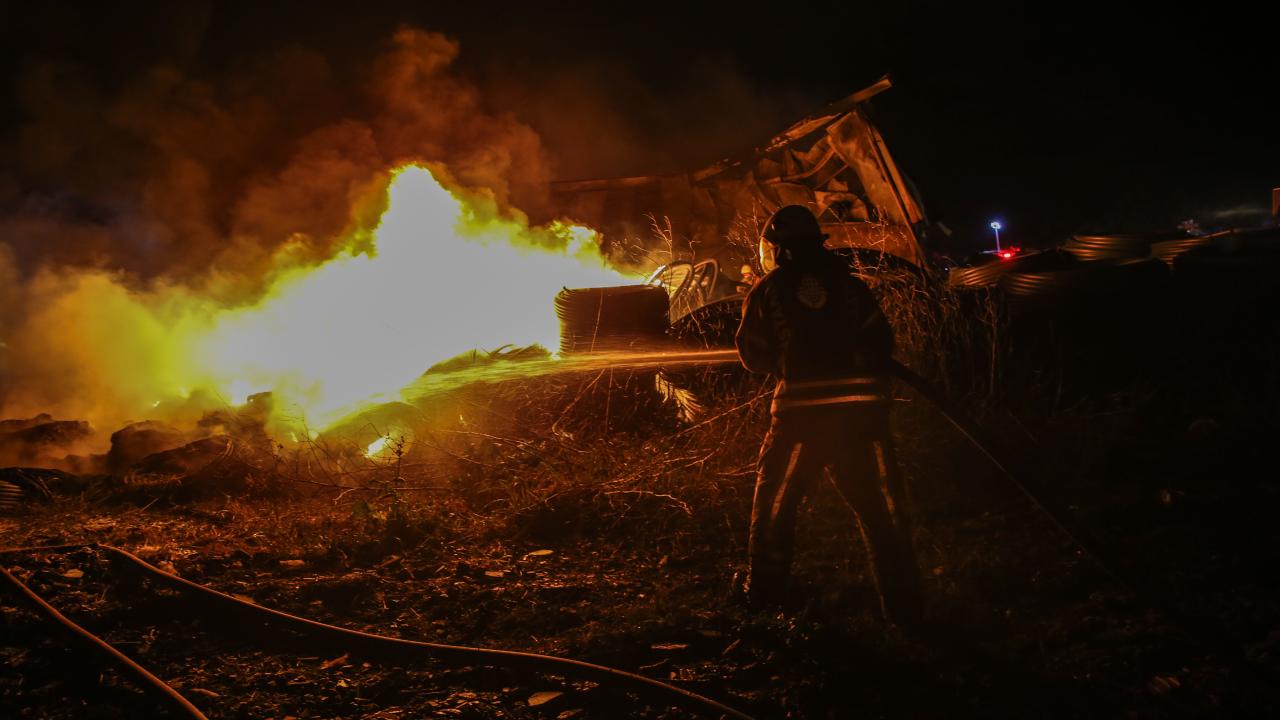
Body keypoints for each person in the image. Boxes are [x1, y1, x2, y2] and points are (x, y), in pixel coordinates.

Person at [735, 204, 922, 624]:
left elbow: (753, 357)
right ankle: (905, 606)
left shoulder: (766, 291)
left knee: (775, 506)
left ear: (778, 250)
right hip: (862, 419)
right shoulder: (852, 287)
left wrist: (791, 358)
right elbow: (881, 343)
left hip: (800, 420)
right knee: (883, 511)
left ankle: (763, 599)